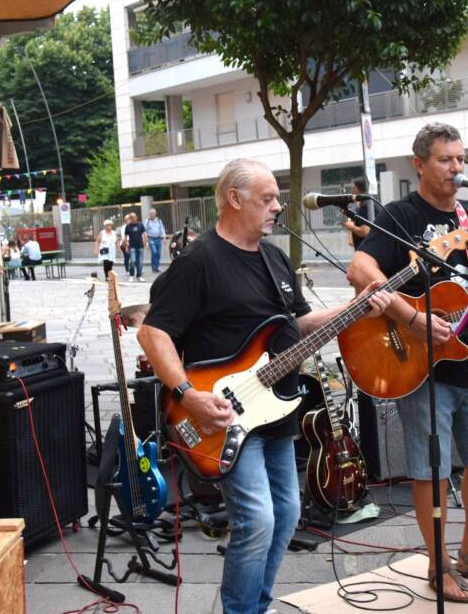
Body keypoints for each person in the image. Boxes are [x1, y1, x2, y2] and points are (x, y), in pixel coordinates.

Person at [137, 158, 390, 614]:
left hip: (275, 407)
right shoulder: (199, 261)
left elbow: (297, 325)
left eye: (277, 198)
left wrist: (357, 308)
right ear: (235, 199)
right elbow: (153, 334)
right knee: (257, 520)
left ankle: (258, 603)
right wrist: (186, 396)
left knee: (287, 515)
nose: (277, 207)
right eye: (268, 198)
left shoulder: (274, 257)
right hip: (223, 414)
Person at [347, 122, 468, 604]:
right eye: (446, 159)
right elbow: (360, 269)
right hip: (422, 364)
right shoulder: (399, 216)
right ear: (420, 164)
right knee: (432, 467)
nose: (455, 169)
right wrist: (410, 318)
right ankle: (438, 563)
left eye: (460, 160)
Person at [344, 175, 372, 250]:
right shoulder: (369, 203)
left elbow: (365, 231)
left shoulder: (365, 206)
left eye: (354, 187)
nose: (353, 189)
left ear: (356, 188)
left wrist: (351, 227)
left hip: (367, 250)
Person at [122, 212, 147, 282]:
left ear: (136, 217)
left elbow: (144, 233)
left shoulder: (140, 225)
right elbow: (125, 237)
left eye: (134, 217)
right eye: (131, 217)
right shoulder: (128, 226)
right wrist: (126, 246)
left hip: (140, 246)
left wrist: (146, 241)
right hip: (132, 246)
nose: (133, 218)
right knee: (132, 261)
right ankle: (131, 275)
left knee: (140, 262)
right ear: (130, 218)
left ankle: (139, 276)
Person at [145, 208, 167, 273]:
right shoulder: (147, 221)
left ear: (155, 214)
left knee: (158, 254)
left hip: (159, 239)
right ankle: (153, 268)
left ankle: (156, 267)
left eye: (152, 213)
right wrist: (145, 240)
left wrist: (164, 237)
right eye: (150, 213)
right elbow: (144, 230)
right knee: (154, 252)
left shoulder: (159, 220)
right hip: (151, 238)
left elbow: (162, 229)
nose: (151, 215)